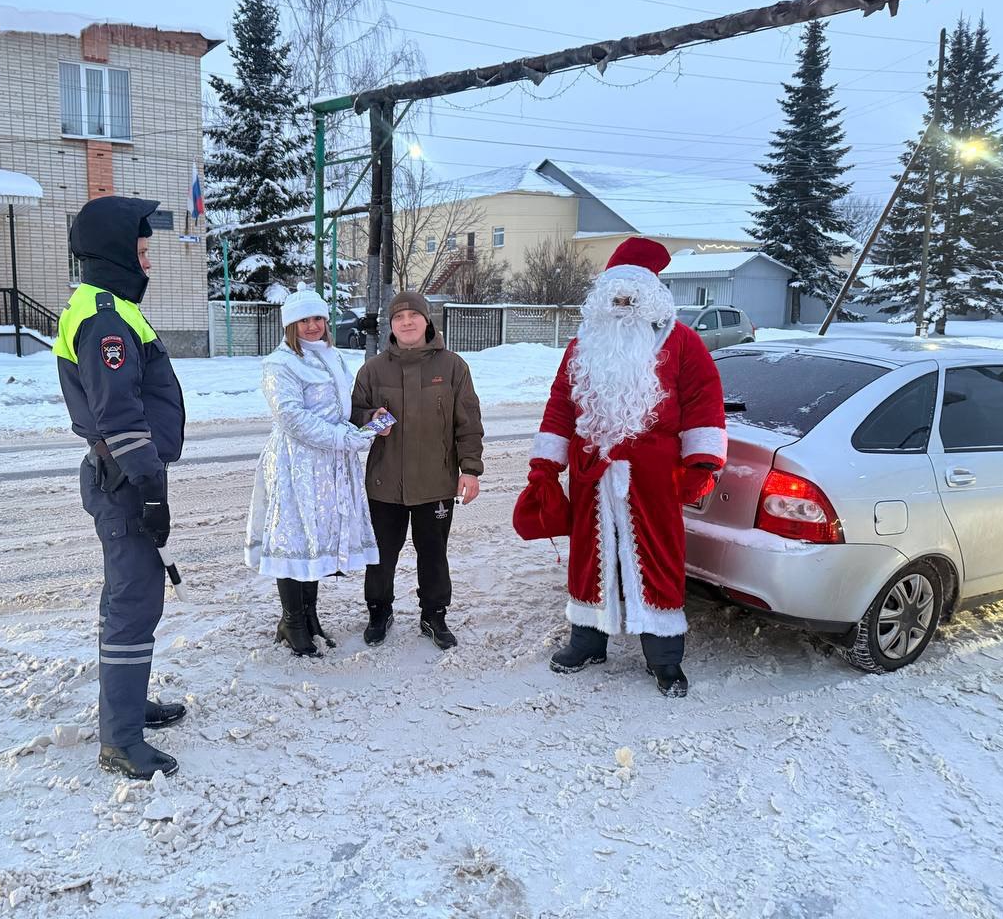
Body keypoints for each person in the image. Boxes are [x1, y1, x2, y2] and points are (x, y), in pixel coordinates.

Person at [513, 237, 726, 697]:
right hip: (591, 474)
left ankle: (665, 658)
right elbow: (560, 409)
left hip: (653, 476)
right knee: (589, 558)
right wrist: (545, 466)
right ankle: (588, 641)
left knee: (659, 557)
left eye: (632, 293)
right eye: (616, 293)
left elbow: (703, 403)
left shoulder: (683, 344)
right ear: (603, 296)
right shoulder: (581, 347)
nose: (623, 301)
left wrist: (700, 462)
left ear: (650, 294)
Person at [54, 196, 187, 779]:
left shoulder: (107, 308)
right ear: (113, 254)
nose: (147, 264)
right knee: (134, 602)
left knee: (129, 597)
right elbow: (121, 416)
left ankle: (129, 705)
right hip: (124, 478)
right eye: (140, 252)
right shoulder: (106, 316)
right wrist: (151, 491)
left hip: (123, 475)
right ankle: (120, 740)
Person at [244, 284, 379, 657]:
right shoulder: (279, 363)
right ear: (290, 324)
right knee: (294, 537)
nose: (313, 325)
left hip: (331, 463)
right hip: (296, 463)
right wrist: (342, 438)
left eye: (318, 317)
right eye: (304, 319)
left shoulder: (333, 357)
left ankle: (310, 616)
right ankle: (292, 622)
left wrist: (367, 420)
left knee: (315, 538)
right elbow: (292, 417)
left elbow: (342, 407)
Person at [351, 291, 484, 650]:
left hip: (436, 482)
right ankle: (379, 611)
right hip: (384, 482)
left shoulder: (453, 367)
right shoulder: (373, 369)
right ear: (390, 326)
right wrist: (369, 419)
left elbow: (468, 423)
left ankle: (434, 614)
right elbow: (354, 416)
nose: (407, 322)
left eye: (414, 315)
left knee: (433, 553)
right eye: (399, 317)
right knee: (381, 553)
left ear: (427, 321)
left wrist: (469, 470)